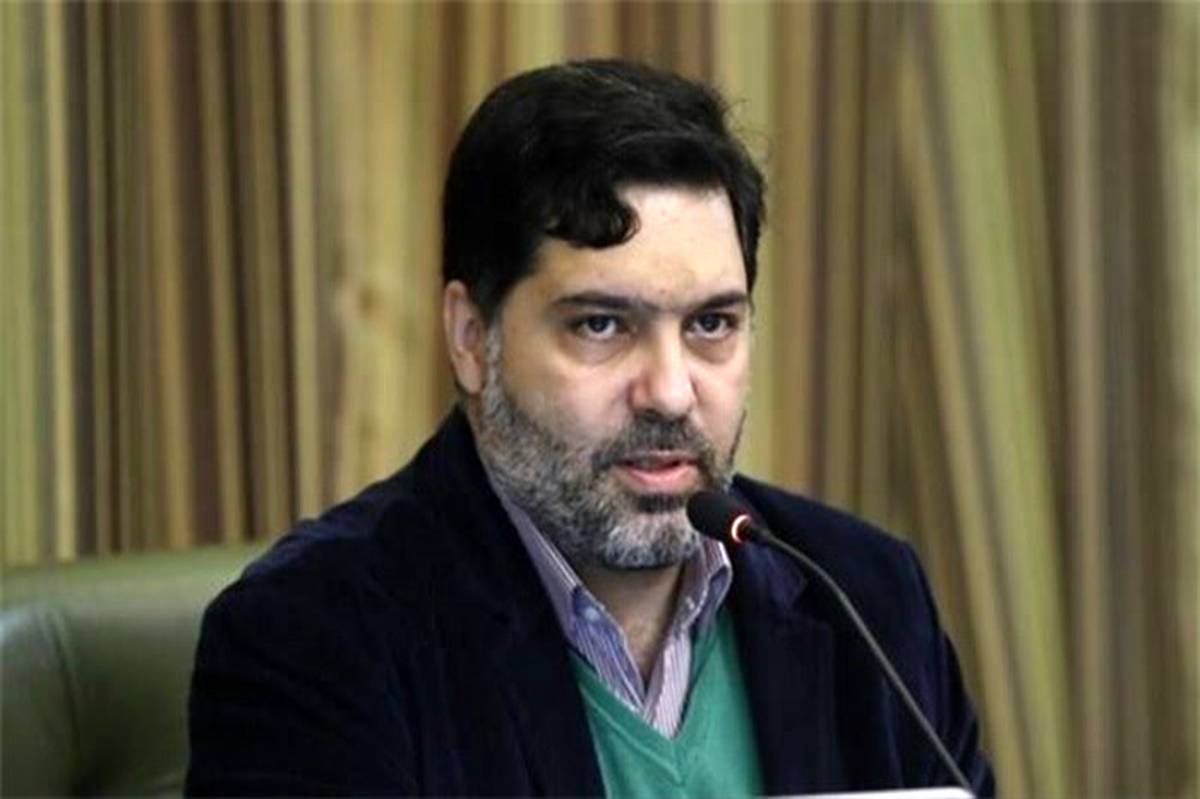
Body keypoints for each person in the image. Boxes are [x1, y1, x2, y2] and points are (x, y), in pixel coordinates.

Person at [186, 59, 994, 797]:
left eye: (711, 324)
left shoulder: (868, 598)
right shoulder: (316, 634)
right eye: (601, 325)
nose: (669, 393)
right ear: (471, 338)